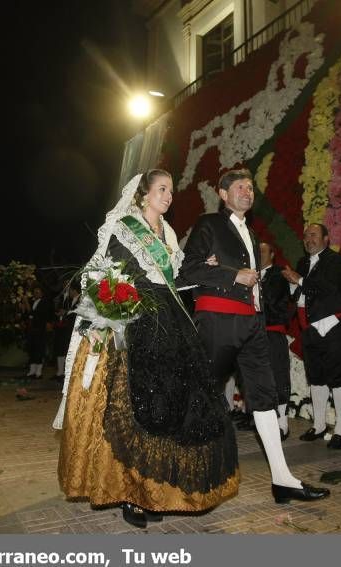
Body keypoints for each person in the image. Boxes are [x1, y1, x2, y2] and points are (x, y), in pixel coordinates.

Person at [54, 170, 239, 528]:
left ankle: (158, 489)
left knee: (173, 404)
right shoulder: (124, 226)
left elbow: (176, 279)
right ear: (143, 195)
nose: (168, 196)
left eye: (171, 191)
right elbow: (102, 271)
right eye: (161, 189)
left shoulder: (167, 234)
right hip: (137, 321)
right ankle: (130, 493)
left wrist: (205, 268)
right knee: (136, 407)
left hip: (171, 322)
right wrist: (109, 310)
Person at [180, 168, 330, 503]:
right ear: (222, 193)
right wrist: (233, 275)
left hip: (252, 325)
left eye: (251, 187)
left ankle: (283, 479)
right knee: (202, 394)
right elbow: (186, 271)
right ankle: (179, 470)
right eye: (240, 186)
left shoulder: (249, 230)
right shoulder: (209, 224)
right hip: (218, 320)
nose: (248, 192)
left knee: (264, 397)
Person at [284, 224, 341, 449]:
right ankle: (319, 424)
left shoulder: (338, 261)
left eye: (313, 235)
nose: (308, 239)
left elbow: (330, 288)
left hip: (333, 325)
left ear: (326, 238)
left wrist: (300, 280)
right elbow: (301, 293)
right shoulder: (303, 263)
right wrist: (292, 285)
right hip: (309, 327)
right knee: (316, 377)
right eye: (305, 236)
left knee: (338, 377)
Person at [258, 242, 293, 440]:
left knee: (278, 375)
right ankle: (264, 419)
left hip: (272, 332)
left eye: (263, 251)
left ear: (272, 253)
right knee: (259, 378)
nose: (259, 254)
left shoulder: (279, 274)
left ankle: (283, 423)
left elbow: (271, 300)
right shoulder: (250, 273)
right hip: (253, 333)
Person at [25, 285, 53, 378]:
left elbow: (39, 315)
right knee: (32, 349)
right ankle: (32, 371)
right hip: (32, 329)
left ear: (42, 293)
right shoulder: (33, 301)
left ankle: (39, 372)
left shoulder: (44, 302)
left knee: (39, 350)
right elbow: (29, 314)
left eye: (38, 292)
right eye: (35, 292)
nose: (36, 294)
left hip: (40, 329)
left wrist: (29, 310)